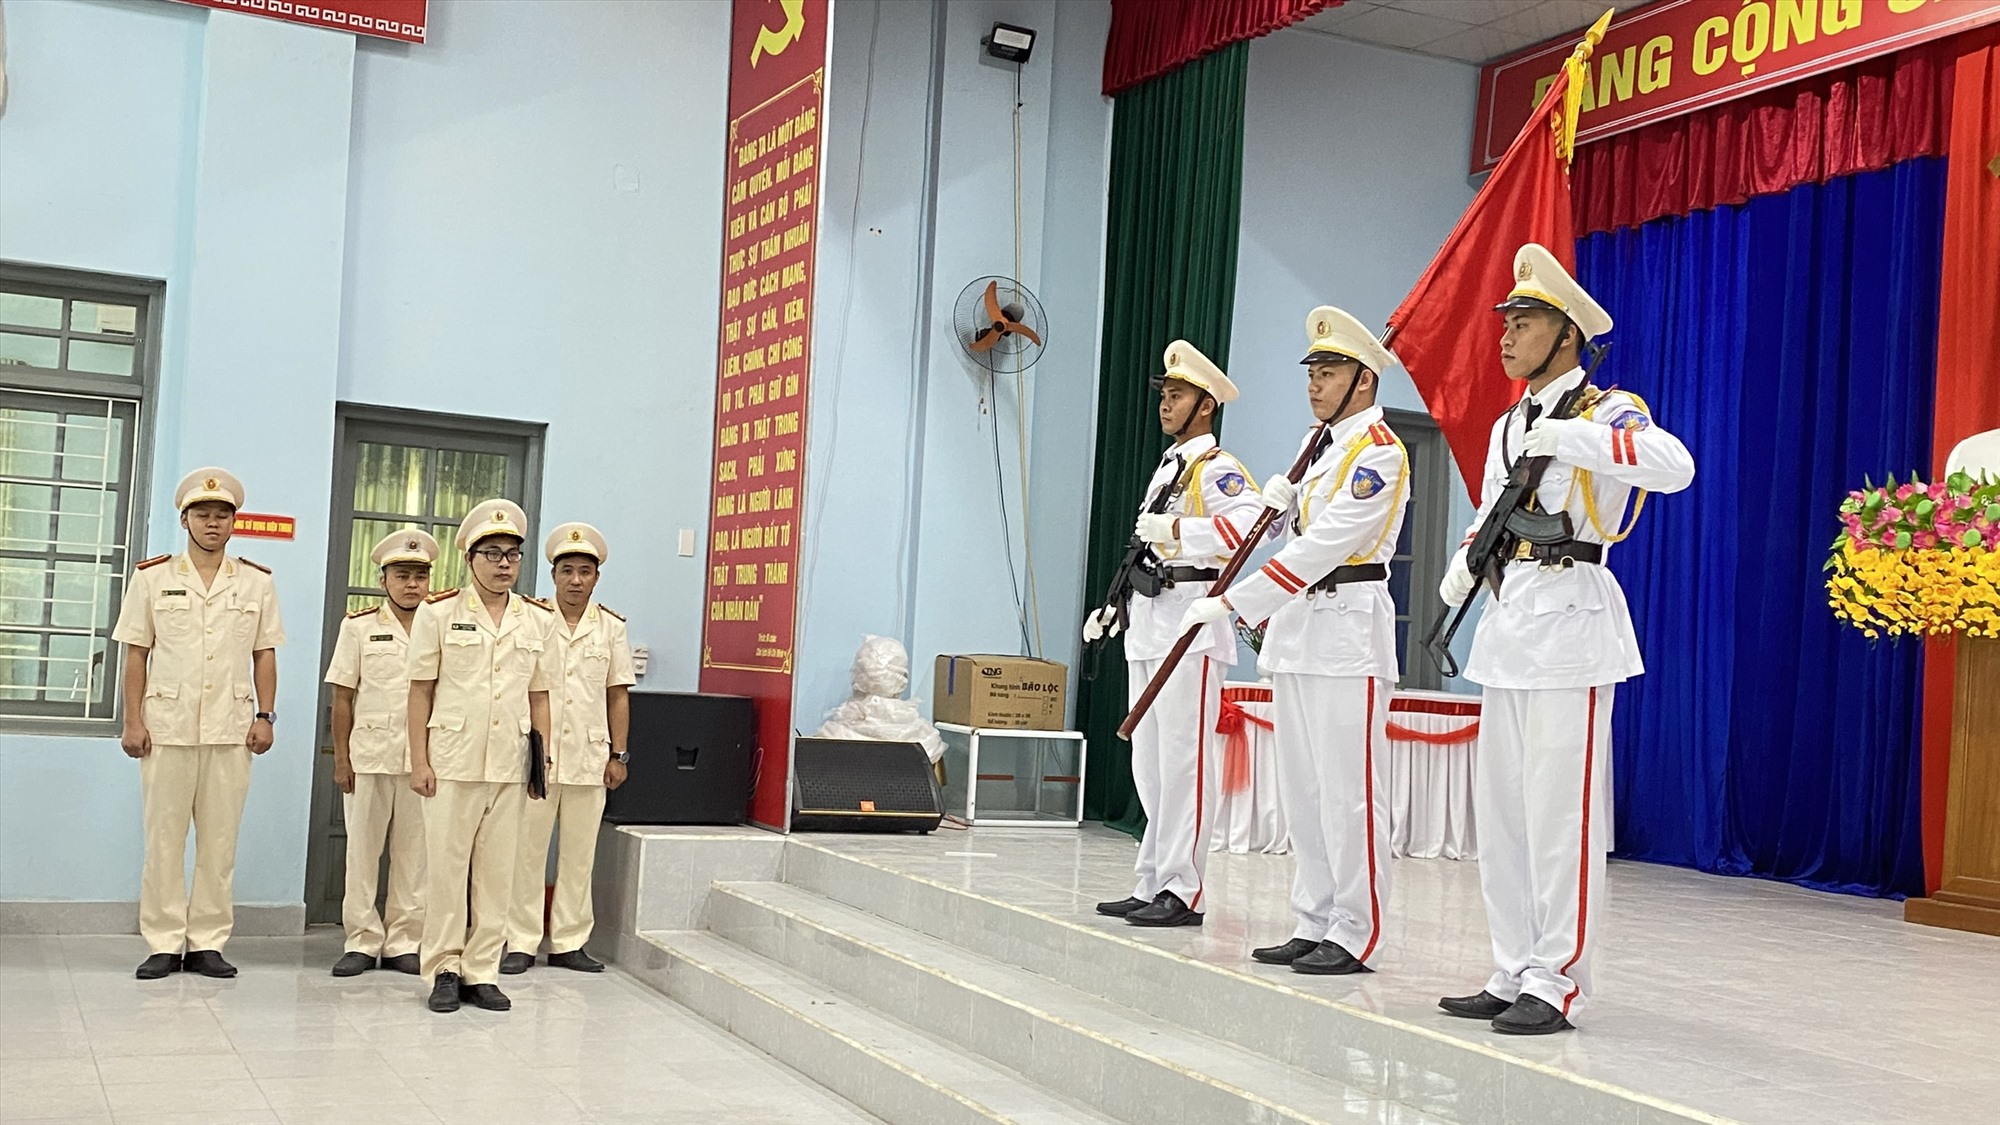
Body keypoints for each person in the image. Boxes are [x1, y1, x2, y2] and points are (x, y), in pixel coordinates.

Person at [1434, 243, 1694, 1035]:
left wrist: (1571, 441)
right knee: (1505, 814)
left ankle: (1558, 976)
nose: (1508, 335)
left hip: (1573, 629)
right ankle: (1512, 963)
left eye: (1526, 321)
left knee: (1561, 816)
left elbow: (1673, 464)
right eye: (1507, 321)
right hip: (1509, 628)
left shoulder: (1605, 409)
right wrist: (1455, 582)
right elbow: (1487, 514)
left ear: (1568, 336)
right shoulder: (1511, 420)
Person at [1179, 306, 1408, 976]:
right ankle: (1314, 918)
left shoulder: (1379, 454)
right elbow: (1286, 535)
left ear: (1364, 381)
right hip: (1303, 628)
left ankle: (1356, 929)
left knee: (1350, 791)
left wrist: (1235, 599)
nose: (1315, 382)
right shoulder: (1318, 450)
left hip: (1348, 630)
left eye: (1330, 370)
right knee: (1304, 791)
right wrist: (1274, 506)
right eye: (1313, 370)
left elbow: (1325, 546)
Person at [1084, 340, 1266, 929]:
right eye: (1164, 393)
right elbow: (1145, 546)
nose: (1166, 403)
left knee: (1186, 762)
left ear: (1206, 405)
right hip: (1150, 618)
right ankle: (1152, 877)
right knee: (1152, 765)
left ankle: (1184, 889)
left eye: (1178, 394)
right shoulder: (1170, 466)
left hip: (1191, 626)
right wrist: (1118, 604)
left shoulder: (1220, 469)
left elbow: (1251, 531)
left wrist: (1181, 529)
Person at [114, 468, 284, 981]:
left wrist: (265, 715)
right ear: (184, 519)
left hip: (231, 728)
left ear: (235, 522)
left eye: (222, 515)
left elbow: (265, 654)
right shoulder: (154, 577)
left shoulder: (256, 581)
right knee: (163, 839)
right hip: (165, 725)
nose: (213, 523)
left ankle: (208, 941)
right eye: (203, 514)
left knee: (219, 842)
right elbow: (136, 654)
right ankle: (164, 942)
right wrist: (133, 720)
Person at [407, 499, 556, 1013]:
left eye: (512, 554)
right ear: (469, 558)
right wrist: (419, 760)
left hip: (510, 765)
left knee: (498, 872)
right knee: (447, 870)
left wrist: (544, 760)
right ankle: (445, 968)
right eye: (491, 553)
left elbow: (540, 695)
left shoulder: (536, 619)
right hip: (452, 759)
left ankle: (482, 971)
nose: (503, 564)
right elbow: (420, 690)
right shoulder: (438, 612)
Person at [502, 522, 634, 975]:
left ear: (596, 577)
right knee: (527, 851)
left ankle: (569, 941)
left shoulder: (611, 628)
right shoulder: (530, 618)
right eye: (567, 571)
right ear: (553, 575)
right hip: (537, 758)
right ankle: (520, 939)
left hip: (590, 757)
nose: (576, 580)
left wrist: (619, 755)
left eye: (584, 571)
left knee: (580, 855)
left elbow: (617, 693)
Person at [323, 528, 439, 977]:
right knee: (363, 853)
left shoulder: (442, 625)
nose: (412, 584)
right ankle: (361, 940)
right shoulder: (359, 627)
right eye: (402, 575)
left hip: (422, 760)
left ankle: (404, 941)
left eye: (419, 575)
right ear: (383, 580)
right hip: (368, 756)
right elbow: (343, 697)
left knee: (415, 856)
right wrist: (341, 760)